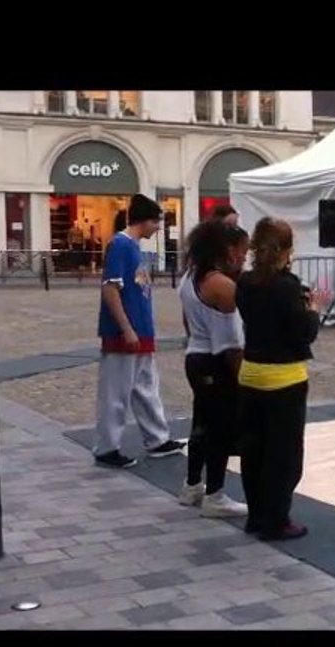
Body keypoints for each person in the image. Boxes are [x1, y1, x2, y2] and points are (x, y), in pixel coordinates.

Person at [236, 217, 329, 541]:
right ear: (286, 250)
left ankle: (257, 515)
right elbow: (304, 332)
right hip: (284, 378)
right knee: (284, 454)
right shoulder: (286, 287)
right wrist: (314, 308)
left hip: (251, 372)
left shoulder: (246, 282)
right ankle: (278, 518)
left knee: (255, 451)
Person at [94, 193, 185, 469]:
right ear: (144, 221)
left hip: (140, 329)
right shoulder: (121, 246)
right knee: (116, 392)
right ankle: (107, 447)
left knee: (146, 387)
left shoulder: (132, 246)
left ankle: (157, 438)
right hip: (126, 331)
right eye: (157, 221)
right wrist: (126, 328)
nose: (159, 227)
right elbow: (111, 289)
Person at [178, 221, 250, 517]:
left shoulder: (190, 276)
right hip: (216, 360)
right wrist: (244, 377)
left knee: (202, 423)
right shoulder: (222, 286)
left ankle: (193, 484)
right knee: (220, 428)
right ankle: (215, 494)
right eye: (243, 254)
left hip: (196, 355)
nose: (244, 259)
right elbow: (231, 342)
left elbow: (187, 320)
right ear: (230, 251)